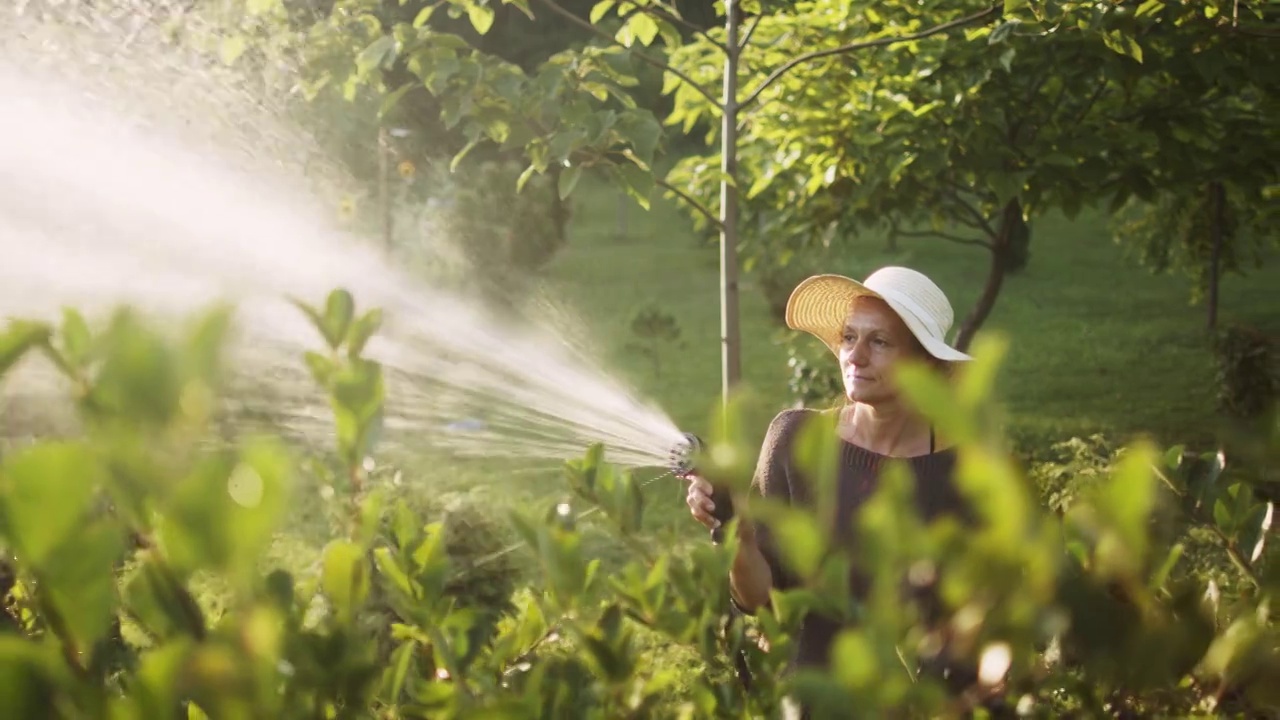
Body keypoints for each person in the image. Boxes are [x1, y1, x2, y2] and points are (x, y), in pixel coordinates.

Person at [685, 266, 983, 714]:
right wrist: (738, 535)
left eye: (879, 342)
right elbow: (759, 601)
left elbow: (974, 631)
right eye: (849, 337)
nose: (855, 356)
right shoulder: (795, 440)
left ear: (926, 363)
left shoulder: (961, 475)